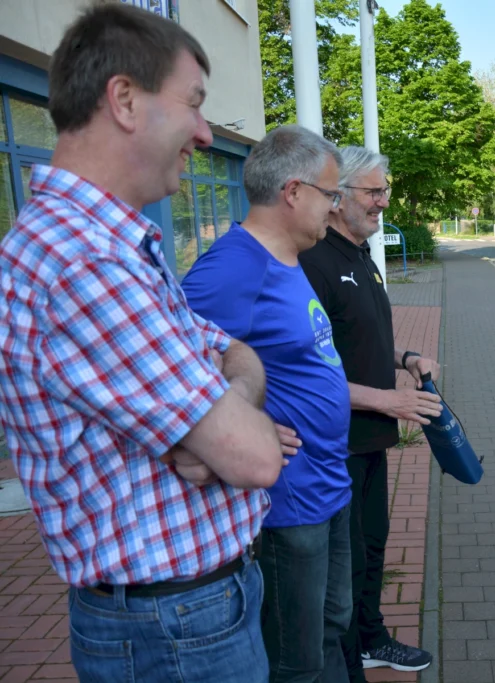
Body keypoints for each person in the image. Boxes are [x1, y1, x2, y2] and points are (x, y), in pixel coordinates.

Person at [0, 5, 285, 681]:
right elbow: (255, 457)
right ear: (124, 98)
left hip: (180, 617)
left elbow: (236, 352)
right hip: (174, 630)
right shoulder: (83, 262)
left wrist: (228, 395)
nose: (206, 131)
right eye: (193, 103)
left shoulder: (108, 247)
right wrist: (233, 420)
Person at [181, 125, 355, 682]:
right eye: (331, 195)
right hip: (288, 501)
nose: (336, 209)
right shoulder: (234, 266)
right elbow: (176, 364)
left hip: (327, 485)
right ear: (294, 192)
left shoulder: (287, 260)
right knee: (293, 660)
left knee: (332, 626)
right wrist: (242, 425)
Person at [299, 146, 440, 680]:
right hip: (338, 443)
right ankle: (348, 654)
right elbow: (310, 372)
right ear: (336, 199)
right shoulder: (313, 262)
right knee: (348, 560)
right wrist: (389, 400)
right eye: (374, 192)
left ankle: (371, 638)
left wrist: (405, 359)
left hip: (371, 436)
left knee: (374, 544)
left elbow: (357, 340)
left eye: (385, 191)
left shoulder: (360, 253)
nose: (384, 202)